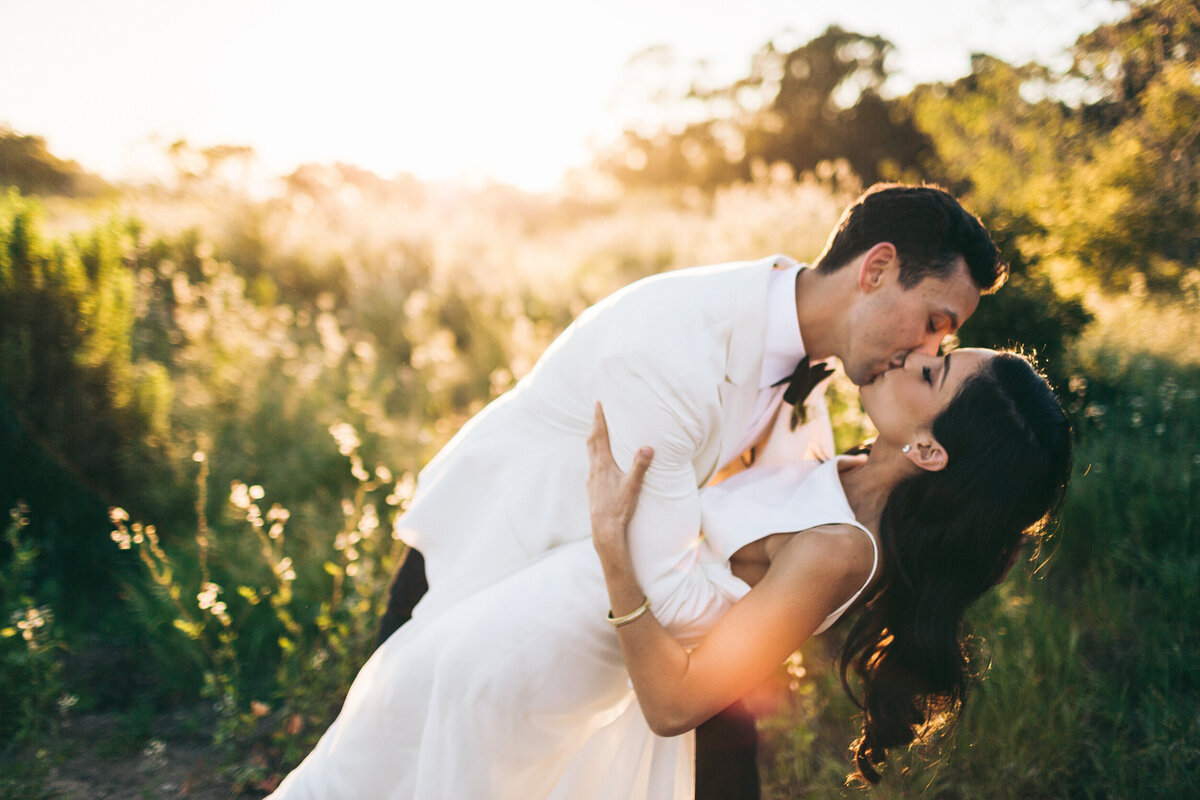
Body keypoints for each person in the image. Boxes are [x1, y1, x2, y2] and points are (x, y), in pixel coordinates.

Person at [373, 184, 1005, 796]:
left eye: (944, 342)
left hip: (584, 604)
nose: (927, 349)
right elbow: (674, 599)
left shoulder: (805, 378)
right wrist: (776, 612)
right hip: (486, 562)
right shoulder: (676, 350)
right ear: (877, 269)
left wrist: (772, 613)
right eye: (933, 322)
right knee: (388, 766)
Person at [266, 348, 1071, 798]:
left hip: (537, 657)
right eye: (936, 347)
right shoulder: (848, 467)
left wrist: (619, 557)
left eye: (932, 372)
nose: (913, 353)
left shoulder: (841, 551)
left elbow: (678, 702)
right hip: (521, 611)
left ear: (930, 451)